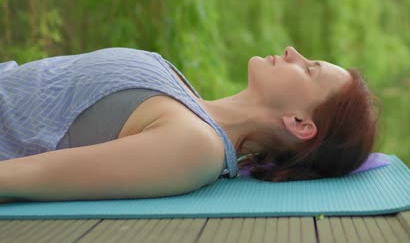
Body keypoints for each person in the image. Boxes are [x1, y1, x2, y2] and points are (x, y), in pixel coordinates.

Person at [0, 46, 378, 202]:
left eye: (309, 69)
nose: (293, 52)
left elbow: (27, 174)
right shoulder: (188, 100)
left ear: (299, 123)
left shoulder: (195, 148)